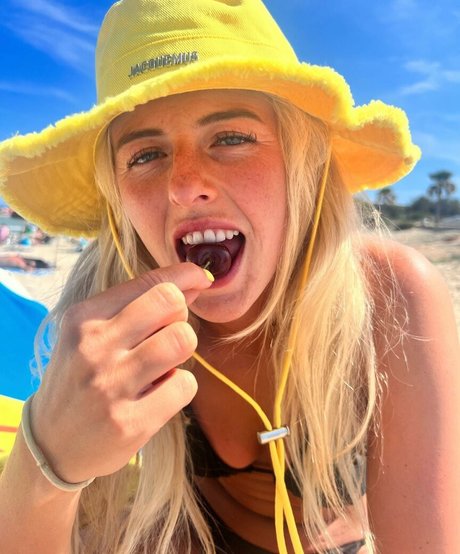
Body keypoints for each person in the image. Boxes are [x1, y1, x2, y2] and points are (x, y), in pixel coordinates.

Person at [0, 1, 459, 553]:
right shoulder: (103, 315)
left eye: (231, 138)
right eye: (145, 155)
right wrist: (47, 460)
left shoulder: (389, 298)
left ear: (303, 161)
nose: (183, 186)